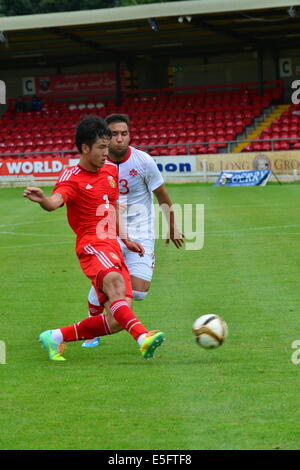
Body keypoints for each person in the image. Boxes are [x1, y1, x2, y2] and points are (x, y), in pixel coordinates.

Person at [23, 115, 165, 361]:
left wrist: (125, 238)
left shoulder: (109, 170)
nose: (105, 153)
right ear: (85, 148)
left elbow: (112, 207)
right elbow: (56, 202)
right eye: (101, 148)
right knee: (115, 283)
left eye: (107, 147)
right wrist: (44, 199)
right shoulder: (71, 177)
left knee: (118, 319)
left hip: (111, 242)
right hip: (91, 244)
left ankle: (54, 336)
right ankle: (143, 338)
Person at [83, 113, 184, 348]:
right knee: (114, 282)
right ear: (106, 137)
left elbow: (162, 195)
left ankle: (97, 290)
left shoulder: (143, 161)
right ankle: (93, 321)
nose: (119, 139)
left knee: (138, 292)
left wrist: (173, 225)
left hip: (141, 231)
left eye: (124, 134)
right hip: (107, 229)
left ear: (130, 136)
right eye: (114, 134)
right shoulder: (99, 163)